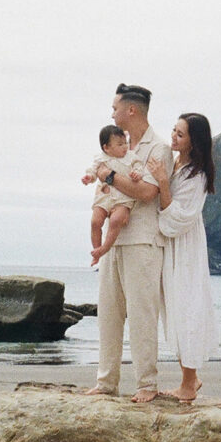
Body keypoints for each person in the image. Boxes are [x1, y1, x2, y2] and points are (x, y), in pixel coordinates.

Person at [84, 83, 173, 403]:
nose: (112, 113)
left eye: (115, 107)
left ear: (131, 110)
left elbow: (148, 192)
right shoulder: (115, 145)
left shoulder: (158, 148)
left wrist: (108, 176)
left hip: (143, 242)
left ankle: (146, 384)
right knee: (108, 313)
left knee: (141, 315)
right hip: (115, 240)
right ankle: (106, 381)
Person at [147, 113, 218, 402]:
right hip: (171, 246)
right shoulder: (176, 161)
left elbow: (177, 218)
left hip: (185, 245)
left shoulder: (197, 175)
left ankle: (189, 382)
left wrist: (163, 183)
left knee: (187, 307)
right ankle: (190, 378)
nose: (173, 137)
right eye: (174, 131)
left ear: (193, 142)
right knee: (175, 308)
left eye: (180, 134)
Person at [81, 125, 144, 265]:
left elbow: (139, 168)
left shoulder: (131, 157)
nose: (125, 147)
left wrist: (137, 174)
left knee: (116, 221)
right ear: (107, 148)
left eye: (125, 143)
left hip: (123, 199)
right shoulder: (101, 159)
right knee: (95, 222)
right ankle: (96, 250)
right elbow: (93, 171)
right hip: (104, 196)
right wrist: (89, 178)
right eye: (120, 144)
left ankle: (104, 248)